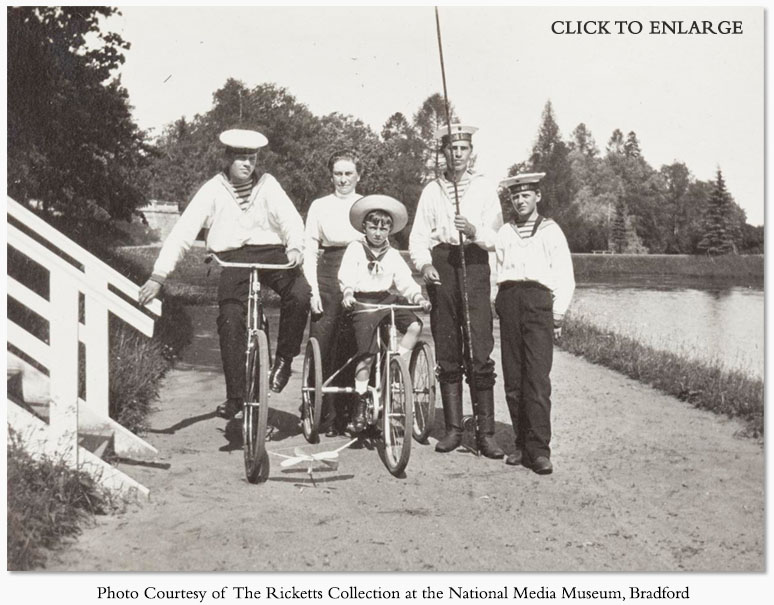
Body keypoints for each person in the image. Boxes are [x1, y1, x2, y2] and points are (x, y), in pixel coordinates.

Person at [138, 129, 311, 420]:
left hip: (272, 252)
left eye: (252, 158)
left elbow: (291, 219)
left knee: (300, 293)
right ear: (228, 158)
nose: (247, 163)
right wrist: (158, 275)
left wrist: (294, 247)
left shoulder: (268, 185)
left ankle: (283, 360)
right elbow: (182, 233)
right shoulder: (213, 189)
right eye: (241, 157)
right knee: (230, 319)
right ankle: (236, 396)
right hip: (233, 259)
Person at [408, 123, 504, 458]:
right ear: (443, 152)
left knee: (478, 347)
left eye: (463, 148)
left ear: (471, 152)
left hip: (474, 264)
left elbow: (497, 237)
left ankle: (486, 432)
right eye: (452, 148)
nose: (458, 154)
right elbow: (419, 236)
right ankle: (452, 430)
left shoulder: (484, 188)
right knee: (447, 346)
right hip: (443, 264)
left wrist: (475, 230)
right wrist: (424, 265)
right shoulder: (432, 190)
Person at [495, 172, 575, 475]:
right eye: (515, 196)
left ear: (537, 197)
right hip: (510, 299)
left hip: (539, 303)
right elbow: (497, 269)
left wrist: (558, 314)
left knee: (537, 380)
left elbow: (565, 276)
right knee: (514, 379)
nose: (520, 201)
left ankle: (539, 450)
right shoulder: (505, 231)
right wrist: (498, 302)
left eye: (526, 195)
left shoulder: (551, 231)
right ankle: (520, 444)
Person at [339, 195, 431, 433]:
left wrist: (417, 296)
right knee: (367, 356)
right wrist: (348, 292)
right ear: (364, 227)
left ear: (390, 229)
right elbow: (346, 273)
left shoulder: (392, 253)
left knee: (414, 325)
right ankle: (359, 404)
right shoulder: (356, 248)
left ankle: (394, 364)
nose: (378, 233)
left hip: (385, 298)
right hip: (363, 301)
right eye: (373, 227)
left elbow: (404, 280)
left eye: (384, 228)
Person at [302, 150, 364, 436]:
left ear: (358, 176)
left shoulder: (365, 205)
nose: (343, 179)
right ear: (331, 176)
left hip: (358, 269)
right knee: (322, 340)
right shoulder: (320, 205)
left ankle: (352, 414)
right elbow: (310, 249)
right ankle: (318, 411)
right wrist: (313, 290)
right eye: (338, 173)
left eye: (348, 173)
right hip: (327, 271)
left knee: (355, 341)